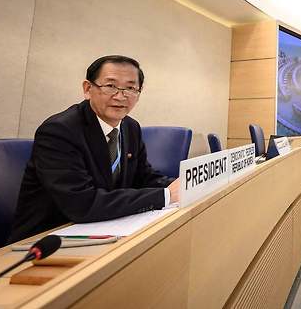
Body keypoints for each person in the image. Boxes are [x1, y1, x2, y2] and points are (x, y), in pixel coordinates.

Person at [10, 55, 180, 242]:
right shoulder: (59, 131)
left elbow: (143, 177)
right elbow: (81, 203)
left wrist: (183, 185)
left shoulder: (130, 127)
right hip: (46, 240)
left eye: (130, 88)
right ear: (88, 89)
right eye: (110, 86)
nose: (120, 96)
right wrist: (164, 196)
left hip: (105, 230)